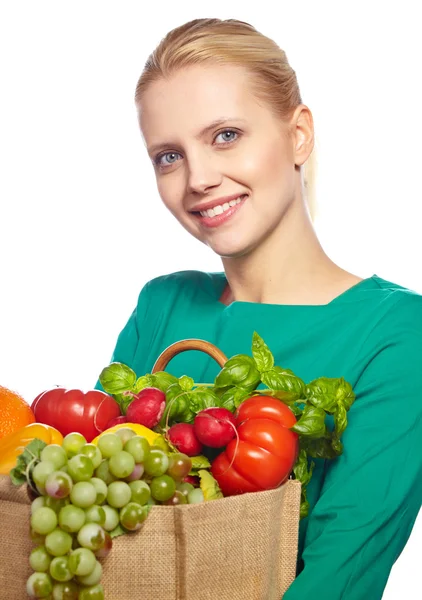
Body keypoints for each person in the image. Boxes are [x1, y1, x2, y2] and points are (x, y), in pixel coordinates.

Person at [96, 17, 422, 599]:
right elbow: (99, 516)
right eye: (168, 156)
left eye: (225, 135)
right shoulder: (163, 305)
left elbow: (340, 576)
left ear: (298, 134)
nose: (198, 178)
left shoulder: (396, 334)